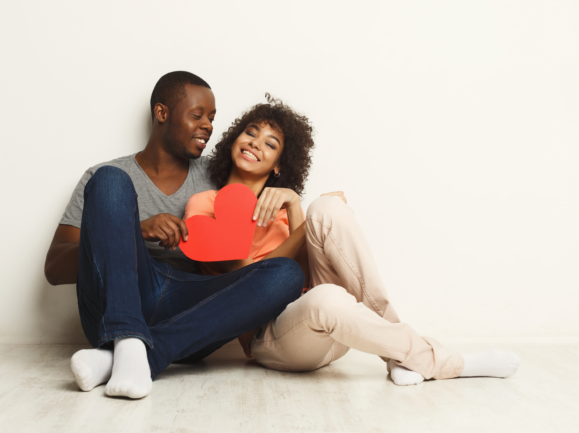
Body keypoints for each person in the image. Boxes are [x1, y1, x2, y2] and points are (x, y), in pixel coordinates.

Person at [185, 95, 521, 385]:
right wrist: (295, 204)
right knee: (328, 297)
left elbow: (299, 277)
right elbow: (251, 286)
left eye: (270, 144)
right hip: (273, 339)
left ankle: (400, 354)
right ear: (234, 141)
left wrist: (297, 207)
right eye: (251, 133)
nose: (257, 143)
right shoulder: (205, 205)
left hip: (336, 323)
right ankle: (444, 362)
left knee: (328, 207)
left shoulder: (287, 215)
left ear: (277, 166)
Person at [44, 72, 304, 399]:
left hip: (187, 307)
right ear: (162, 113)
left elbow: (248, 242)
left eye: (212, 118)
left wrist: (294, 201)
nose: (208, 126)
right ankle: (126, 335)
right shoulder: (103, 179)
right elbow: (54, 269)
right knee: (111, 180)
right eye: (197, 116)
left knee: (286, 274)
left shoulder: (220, 175)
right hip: (115, 302)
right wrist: (134, 232)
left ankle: (131, 357)